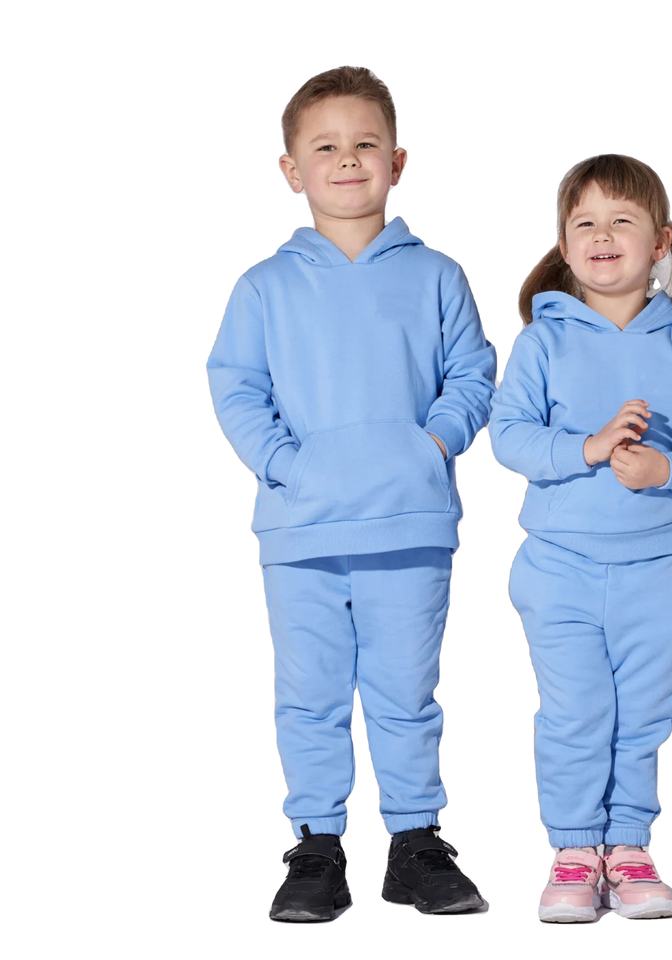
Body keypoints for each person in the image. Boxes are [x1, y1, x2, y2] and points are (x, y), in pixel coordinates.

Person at [206, 66, 495, 921]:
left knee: (406, 693)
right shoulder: (264, 286)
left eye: (366, 143)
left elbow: (472, 374)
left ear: (397, 162)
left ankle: (415, 842)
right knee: (311, 696)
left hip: (410, 525)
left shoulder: (437, 275)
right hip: (303, 531)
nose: (347, 159)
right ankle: (316, 847)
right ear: (291, 169)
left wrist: (429, 447)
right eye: (325, 146)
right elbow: (236, 386)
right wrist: (286, 466)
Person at [489, 154, 672, 922]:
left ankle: (629, 848)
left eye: (622, 220)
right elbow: (509, 436)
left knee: (641, 717)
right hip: (560, 568)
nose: (603, 236)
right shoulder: (541, 343)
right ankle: (575, 851)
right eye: (586, 223)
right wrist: (588, 448)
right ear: (564, 246)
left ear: (660, 241)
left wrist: (670, 468)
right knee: (576, 713)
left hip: (660, 572)